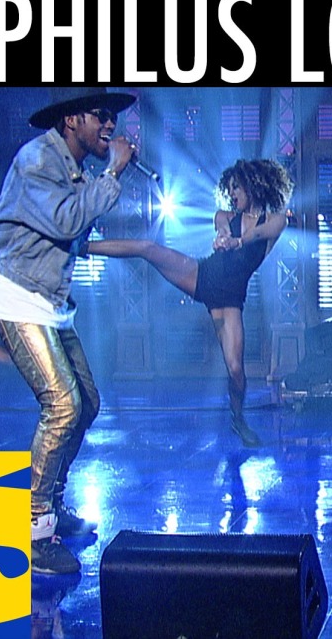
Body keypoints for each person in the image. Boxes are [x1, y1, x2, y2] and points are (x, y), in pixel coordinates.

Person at [0, 87, 137, 575]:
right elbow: (66, 220)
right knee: (62, 405)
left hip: (47, 297)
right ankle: (34, 529)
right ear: (71, 120)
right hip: (13, 290)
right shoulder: (38, 160)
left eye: (112, 117)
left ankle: (52, 503)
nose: (110, 125)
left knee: (86, 402)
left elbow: (71, 236)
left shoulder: (73, 169)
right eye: (101, 115)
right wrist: (113, 173)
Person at [86, 159, 293, 449]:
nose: (232, 194)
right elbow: (222, 228)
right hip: (201, 276)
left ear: (253, 185)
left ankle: (238, 418)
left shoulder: (276, 220)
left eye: (237, 187)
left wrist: (236, 242)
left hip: (230, 299)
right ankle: (81, 246)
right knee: (147, 249)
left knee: (236, 369)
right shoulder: (224, 215)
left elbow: (257, 235)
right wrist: (223, 237)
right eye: (230, 188)